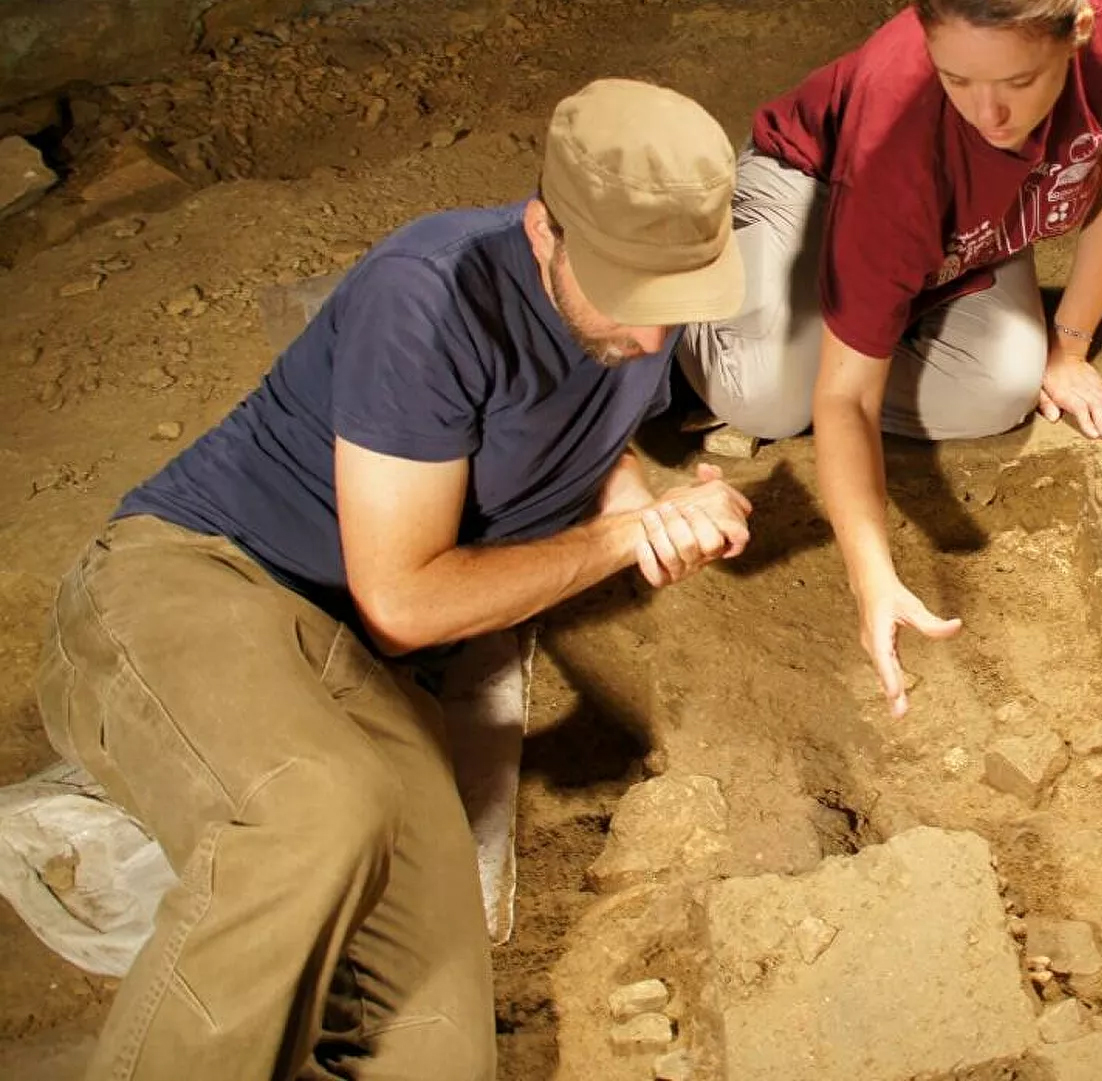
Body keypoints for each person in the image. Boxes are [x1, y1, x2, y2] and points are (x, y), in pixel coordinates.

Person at [34, 79, 752, 1081]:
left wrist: (653, 500)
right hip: (196, 578)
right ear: (546, 228)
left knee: (435, 1050)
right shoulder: (430, 294)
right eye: (630, 299)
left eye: (673, 303)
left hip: (364, 671)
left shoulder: (647, 297)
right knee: (316, 817)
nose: (648, 337)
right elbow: (406, 604)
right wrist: (620, 544)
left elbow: (592, 438)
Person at [677, 0, 1102, 715]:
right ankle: (727, 284)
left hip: (973, 223)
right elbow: (847, 399)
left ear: (1078, 30)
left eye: (1017, 81)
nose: (992, 113)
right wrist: (872, 577)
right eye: (958, 78)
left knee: (1005, 384)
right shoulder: (898, 128)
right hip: (820, 186)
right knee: (764, 393)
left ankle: (867, 318)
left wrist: (1068, 346)